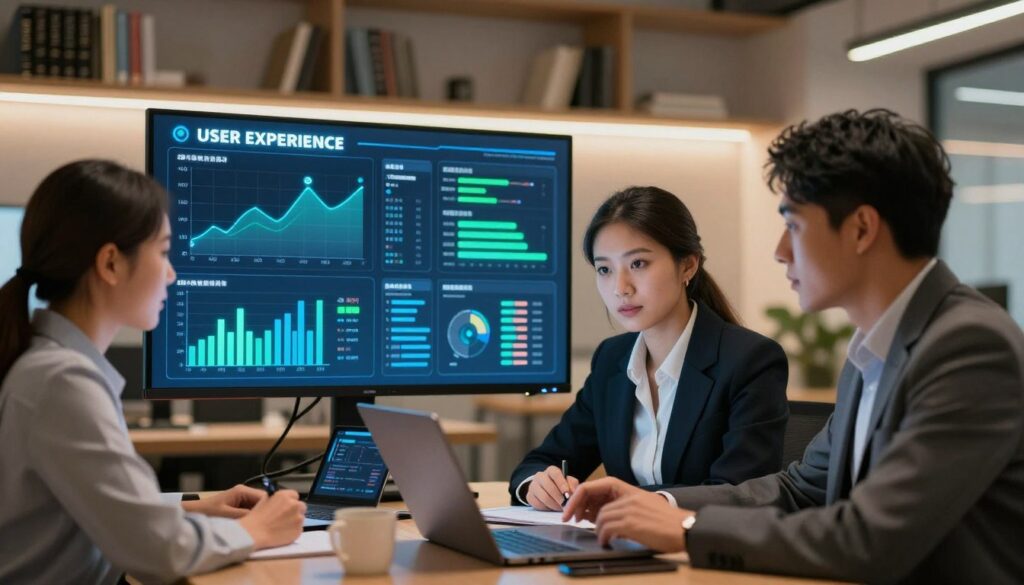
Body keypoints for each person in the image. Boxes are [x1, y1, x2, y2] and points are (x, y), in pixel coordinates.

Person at [563, 110, 1024, 584]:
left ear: (861, 229)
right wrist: (657, 503)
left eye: (795, 225)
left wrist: (687, 528)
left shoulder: (969, 347)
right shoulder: (872, 351)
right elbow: (800, 488)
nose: (781, 251)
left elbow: (871, 539)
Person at [0, 160, 307, 585]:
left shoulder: (48, 364)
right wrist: (256, 530)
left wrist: (194, 508)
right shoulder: (61, 381)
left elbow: (88, 503)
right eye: (163, 252)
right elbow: (158, 552)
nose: (172, 273)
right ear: (111, 264)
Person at [510, 186, 789, 510]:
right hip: (619, 538)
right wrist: (537, 485)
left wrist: (636, 502)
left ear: (688, 266)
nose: (620, 288)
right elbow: (544, 461)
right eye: (605, 269)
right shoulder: (611, 360)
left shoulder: (750, 361)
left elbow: (741, 493)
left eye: (638, 263)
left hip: (703, 540)